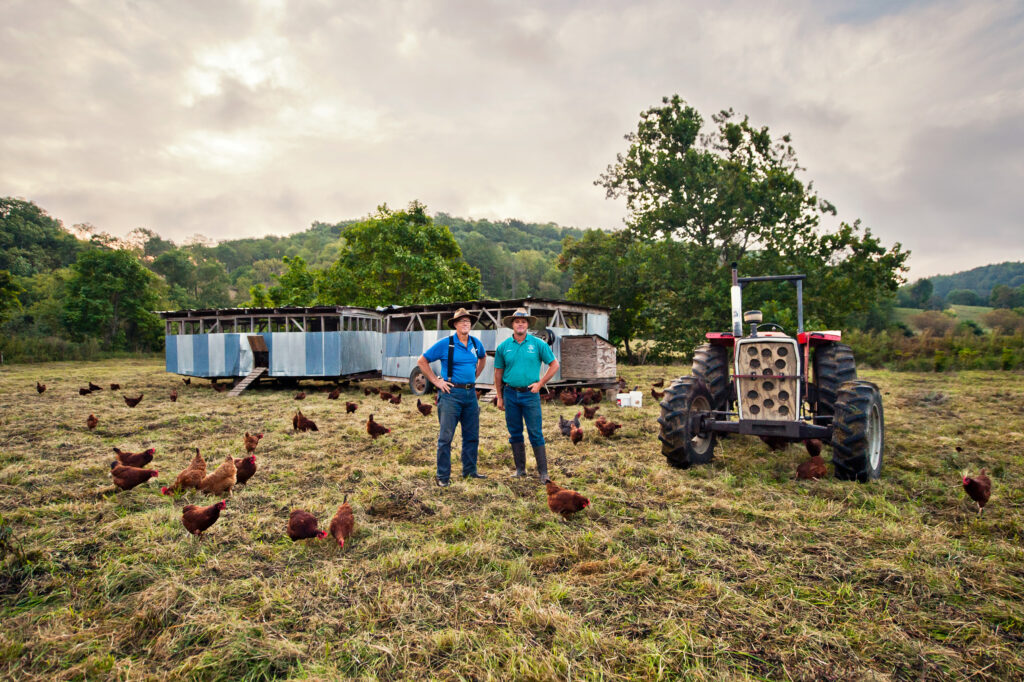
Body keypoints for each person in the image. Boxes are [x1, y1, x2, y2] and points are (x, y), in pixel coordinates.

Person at [416, 308, 487, 487]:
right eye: (462, 321)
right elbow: (422, 361)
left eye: (468, 321)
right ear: (455, 324)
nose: (465, 324)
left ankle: (470, 472)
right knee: (446, 437)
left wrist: (473, 377)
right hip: (450, 395)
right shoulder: (446, 344)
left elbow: (483, 358)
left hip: (470, 394)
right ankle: (443, 476)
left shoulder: (476, 343)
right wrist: (435, 381)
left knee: (472, 435)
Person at [494, 308, 559, 482]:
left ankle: (543, 473)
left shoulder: (538, 344)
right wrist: (499, 396)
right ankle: (520, 469)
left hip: (530, 394)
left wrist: (540, 383)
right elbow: (498, 372)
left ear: (528, 324)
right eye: (517, 322)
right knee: (514, 432)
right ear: (512, 325)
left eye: (523, 322)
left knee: (535, 432)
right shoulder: (503, 347)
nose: (520, 324)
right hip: (510, 394)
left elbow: (554, 365)